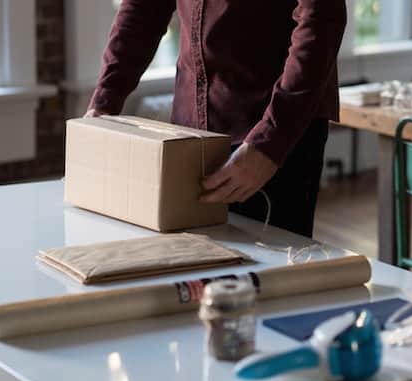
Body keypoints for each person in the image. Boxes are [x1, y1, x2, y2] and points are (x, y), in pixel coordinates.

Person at [85, 1, 347, 238]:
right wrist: (103, 103)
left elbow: (321, 20)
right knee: (191, 265)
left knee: (271, 271)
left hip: (272, 133)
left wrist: (270, 142)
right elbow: (143, 9)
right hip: (189, 132)